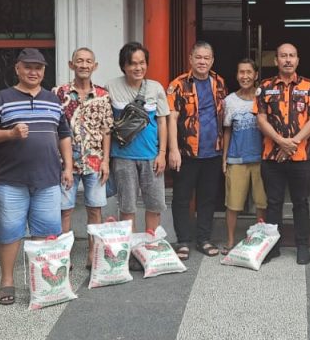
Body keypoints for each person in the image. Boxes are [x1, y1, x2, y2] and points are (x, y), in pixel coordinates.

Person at [0, 48, 73, 306]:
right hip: (11, 180)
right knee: (10, 232)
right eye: (28, 67)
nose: (33, 72)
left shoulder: (53, 100)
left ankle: (41, 283)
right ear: (17, 68)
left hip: (48, 180)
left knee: (45, 232)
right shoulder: (2, 98)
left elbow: (64, 135)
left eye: (38, 67)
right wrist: (10, 134)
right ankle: (7, 281)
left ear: (44, 71)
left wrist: (67, 167)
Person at [255, 43, 310, 265]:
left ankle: (302, 246)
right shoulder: (265, 87)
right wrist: (280, 141)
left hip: (299, 157)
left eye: (291, 56)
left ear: (297, 60)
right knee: (274, 202)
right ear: (276, 60)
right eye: (283, 56)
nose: (287, 60)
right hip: (271, 157)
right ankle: (272, 247)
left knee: (301, 202)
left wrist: (293, 143)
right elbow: (261, 119)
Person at [106, 42, 170, 268]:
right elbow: (106, 125)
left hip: (152, 156)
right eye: (132, 63)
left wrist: (162, 153)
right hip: (123, 157)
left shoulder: (155, 88)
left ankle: (151, 250)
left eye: (142, 63)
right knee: (128, 207)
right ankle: (131, 253)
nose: (138, 68)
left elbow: (162, 122)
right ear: (123, 66)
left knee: (154, 205)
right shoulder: (111, 87)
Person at [168, 41, 228, 259]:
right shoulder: (178, 84)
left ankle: (203, 238)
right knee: (182, 198)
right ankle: (183, 241)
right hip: (186, 152)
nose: (202, 61)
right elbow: (171, 118)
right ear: (191, 59)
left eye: (206, 58)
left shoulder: (219, 82)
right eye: (198, 57)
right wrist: (173, 149)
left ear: (212, 61)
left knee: (208, 198)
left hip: (213, 151)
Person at [56, 48, 113, 269]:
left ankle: (93, 254)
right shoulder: (59, 93)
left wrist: (106, 161)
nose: (84, 65)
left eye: (89, 61)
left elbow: (107, 130)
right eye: (79, 61)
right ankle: (63, 256)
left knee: (95, 209)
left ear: (94, 66)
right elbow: (54, 128)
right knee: (65, 210)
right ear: (71, 65)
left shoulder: (102, 95)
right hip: (66, 163)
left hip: (95, 161)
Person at [221, 58, 267, 254]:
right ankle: (230, 240)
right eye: (242, 72)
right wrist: (224, 158)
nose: (245, 76)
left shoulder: (263, 97)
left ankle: (260, 241)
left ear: (256, 75)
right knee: (233, 203)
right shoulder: (229, 101)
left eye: (249, 72)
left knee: (262, 202)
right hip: (236, 158)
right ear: (237, 75)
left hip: (261, 158)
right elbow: (227, 131)